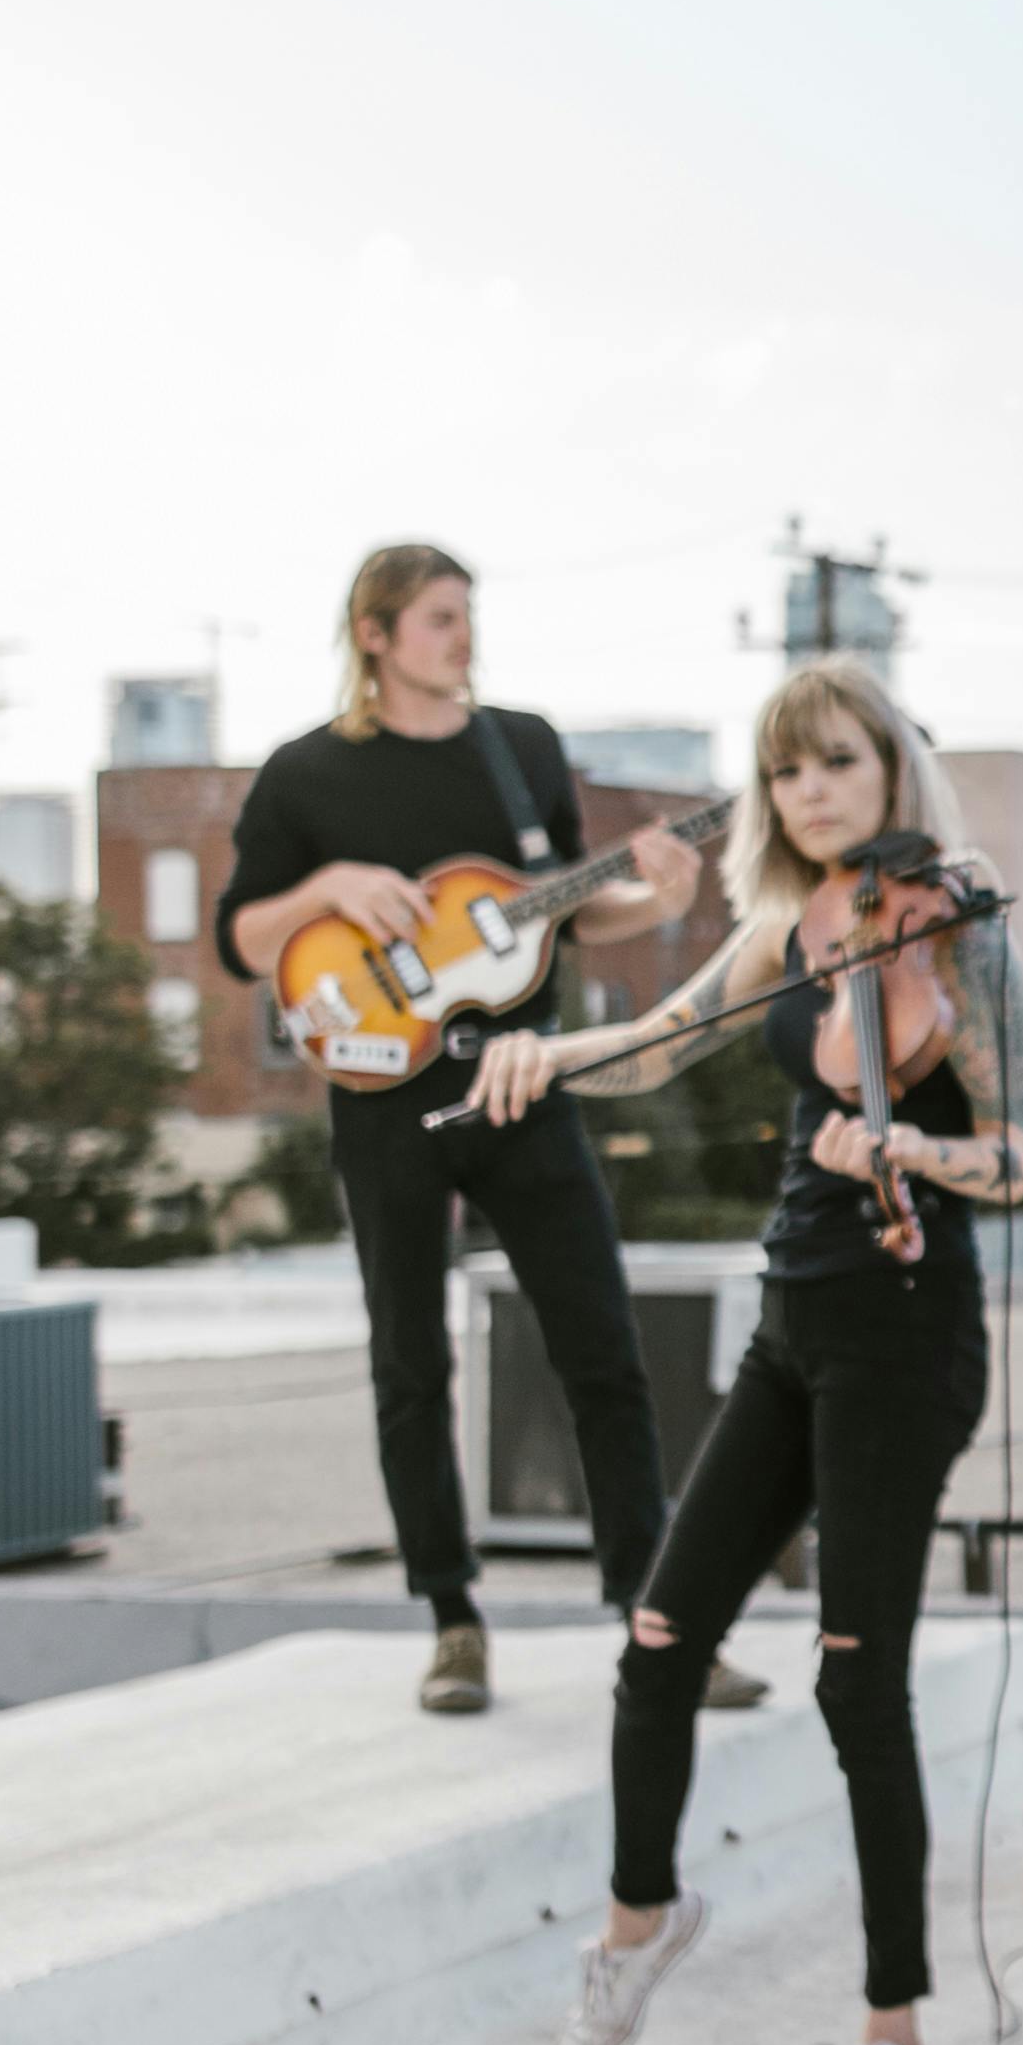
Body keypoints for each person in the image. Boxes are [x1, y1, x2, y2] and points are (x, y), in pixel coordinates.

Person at [457, 658, 1023, 2045]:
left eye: (837, 760)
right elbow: (663, 1041)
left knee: (857, 1680)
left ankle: (895, 2038)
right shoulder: (795, 923)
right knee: (657, 1639)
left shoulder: (957, 927)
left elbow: (1022, 1156)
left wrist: (902, 1143)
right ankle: (640, 1921)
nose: (813, 790)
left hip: (905, 1336)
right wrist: (539, 1053)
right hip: (790, 1324)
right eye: (787, 772)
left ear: (891, 765)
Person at [219, 546, 710, 1716]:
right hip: (384, 1101)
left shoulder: (523, 747)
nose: (463, 638)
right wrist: (329, 887)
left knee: (603, 1348)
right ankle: (450, 1620)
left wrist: (665, 898)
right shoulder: (304, 775)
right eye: (441, 619)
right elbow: (243, 937)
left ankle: (651, 1623)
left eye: (468, 617)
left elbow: (569, 916)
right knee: (408, 1362)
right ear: (376, 633)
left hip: (523, 1084)